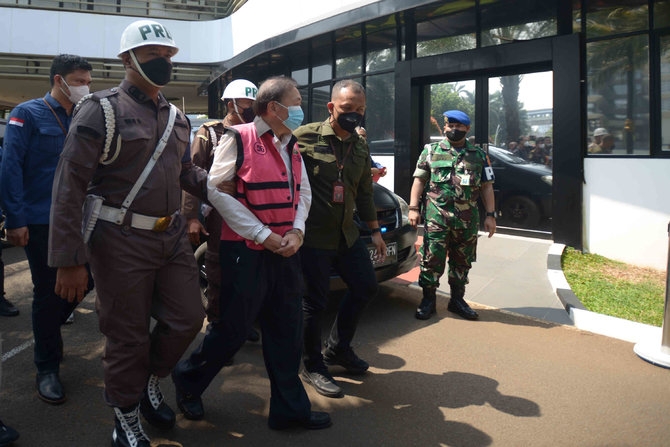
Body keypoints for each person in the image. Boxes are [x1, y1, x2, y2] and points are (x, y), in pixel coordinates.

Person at [47, 20, 210, 447]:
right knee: (127, 335)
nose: (164, 61)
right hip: (119, 240)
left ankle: (148, 380)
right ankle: (125, 415)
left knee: (189, 317)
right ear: (127, 58)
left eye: (168, 54)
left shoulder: (177, 117)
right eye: (155, 53)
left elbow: (185, 171)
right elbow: (68, 188)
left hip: (170, 236)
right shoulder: (100, 109)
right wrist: (69, 259)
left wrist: (226, 185)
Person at [172, 76, 331, 431]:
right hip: (244, 251)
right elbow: (217, 192)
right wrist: (262, 235)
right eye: (297, 101)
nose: (301, 108)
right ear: (274, 108)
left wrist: (297, 231)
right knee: (232, 328)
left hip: (285, 250)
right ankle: (188, 381)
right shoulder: (238, 139)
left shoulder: (291, 143)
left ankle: (290, 410)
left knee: (287, 330)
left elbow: (301, 192)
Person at [0, 54, 93, 405]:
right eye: (79, 79)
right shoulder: (27, 113)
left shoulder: (88, 115)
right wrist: (16, 218)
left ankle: (48, 333)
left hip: (83, 219)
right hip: (41, 219)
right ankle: (47, 366)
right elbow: (11, 167)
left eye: (88, 79)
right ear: (59, 80)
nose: (86, 85)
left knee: (86, 280)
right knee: (46, 291)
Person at [295, 80, 385, 399]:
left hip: (347, 235)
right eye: (348, 109)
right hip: (313, 237)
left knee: (365, 287)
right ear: (332, 107)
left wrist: (375, 231)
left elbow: (363, 192)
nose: (355, 115)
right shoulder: (303, 136)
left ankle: (337, 350)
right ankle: (312, 364)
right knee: (314, 302)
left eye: (360, 110)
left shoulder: (360, 146)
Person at [182, 79, 261, 343]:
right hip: (218, 216)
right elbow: (190, 173)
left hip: (251, 214)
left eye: (254, 103)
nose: (251, 108)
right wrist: (191, 217)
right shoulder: (211, 132)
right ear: (231, 104)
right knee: (218, 274)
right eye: (247, 103)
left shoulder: (257, 133)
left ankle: (240, 323)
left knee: (246, 273)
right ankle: (217, 330)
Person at [408, 110, 496, 321]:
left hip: (467, 220)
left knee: (462, 261)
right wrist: (413, 208)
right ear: (445, 127)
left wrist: (491, 215)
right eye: (450, 125)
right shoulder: (430, 151)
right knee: (432, 258)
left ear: (467, 129)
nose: (454, 129)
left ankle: (457, 300)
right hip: (436, 218)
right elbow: (419, 180)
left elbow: (487, 187)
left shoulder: (479, 155)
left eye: (459, 126)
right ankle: (428, 300)